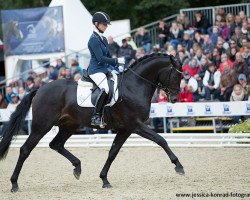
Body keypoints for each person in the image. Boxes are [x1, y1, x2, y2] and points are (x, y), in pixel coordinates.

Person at [87, 11, 125, 126]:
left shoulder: (103, 39)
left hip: (104, 69)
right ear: (97, 23)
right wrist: (116, 60)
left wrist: (117, 66)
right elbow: (100, 58)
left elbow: (108, 56)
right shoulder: (93, 39)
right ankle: (96, 116)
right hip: (95, 70)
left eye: (106, 24)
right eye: (104, 24)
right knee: (106, 89)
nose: (106, 26)